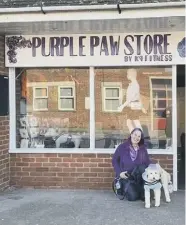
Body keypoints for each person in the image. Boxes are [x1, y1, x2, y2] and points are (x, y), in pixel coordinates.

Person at [112, 128, 151, 201]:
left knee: (142, 167)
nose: (136, 137)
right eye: (135, 134)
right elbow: (114, 161)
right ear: (131, 134)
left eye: (139, 136)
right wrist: (119, 173)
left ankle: (143, 191)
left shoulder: (142, 149)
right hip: (126, 177)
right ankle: (128, 189)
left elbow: (147, 163)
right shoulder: (122, 147)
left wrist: (156, 169)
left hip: (138, 178)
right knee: (132, 197)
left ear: (140, 138)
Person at [117, 68, 147, 133]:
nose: (127, 75)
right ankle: (134, 137)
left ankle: (140, 138)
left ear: (131, 75)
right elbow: (138, 96)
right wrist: (142, 107)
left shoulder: (135, 85)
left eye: (127, 74)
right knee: (129, 123)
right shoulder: (132, 84)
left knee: (136, 123)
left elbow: (130, 98)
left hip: (133, 106)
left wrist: (122, 106)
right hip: (132, 106)